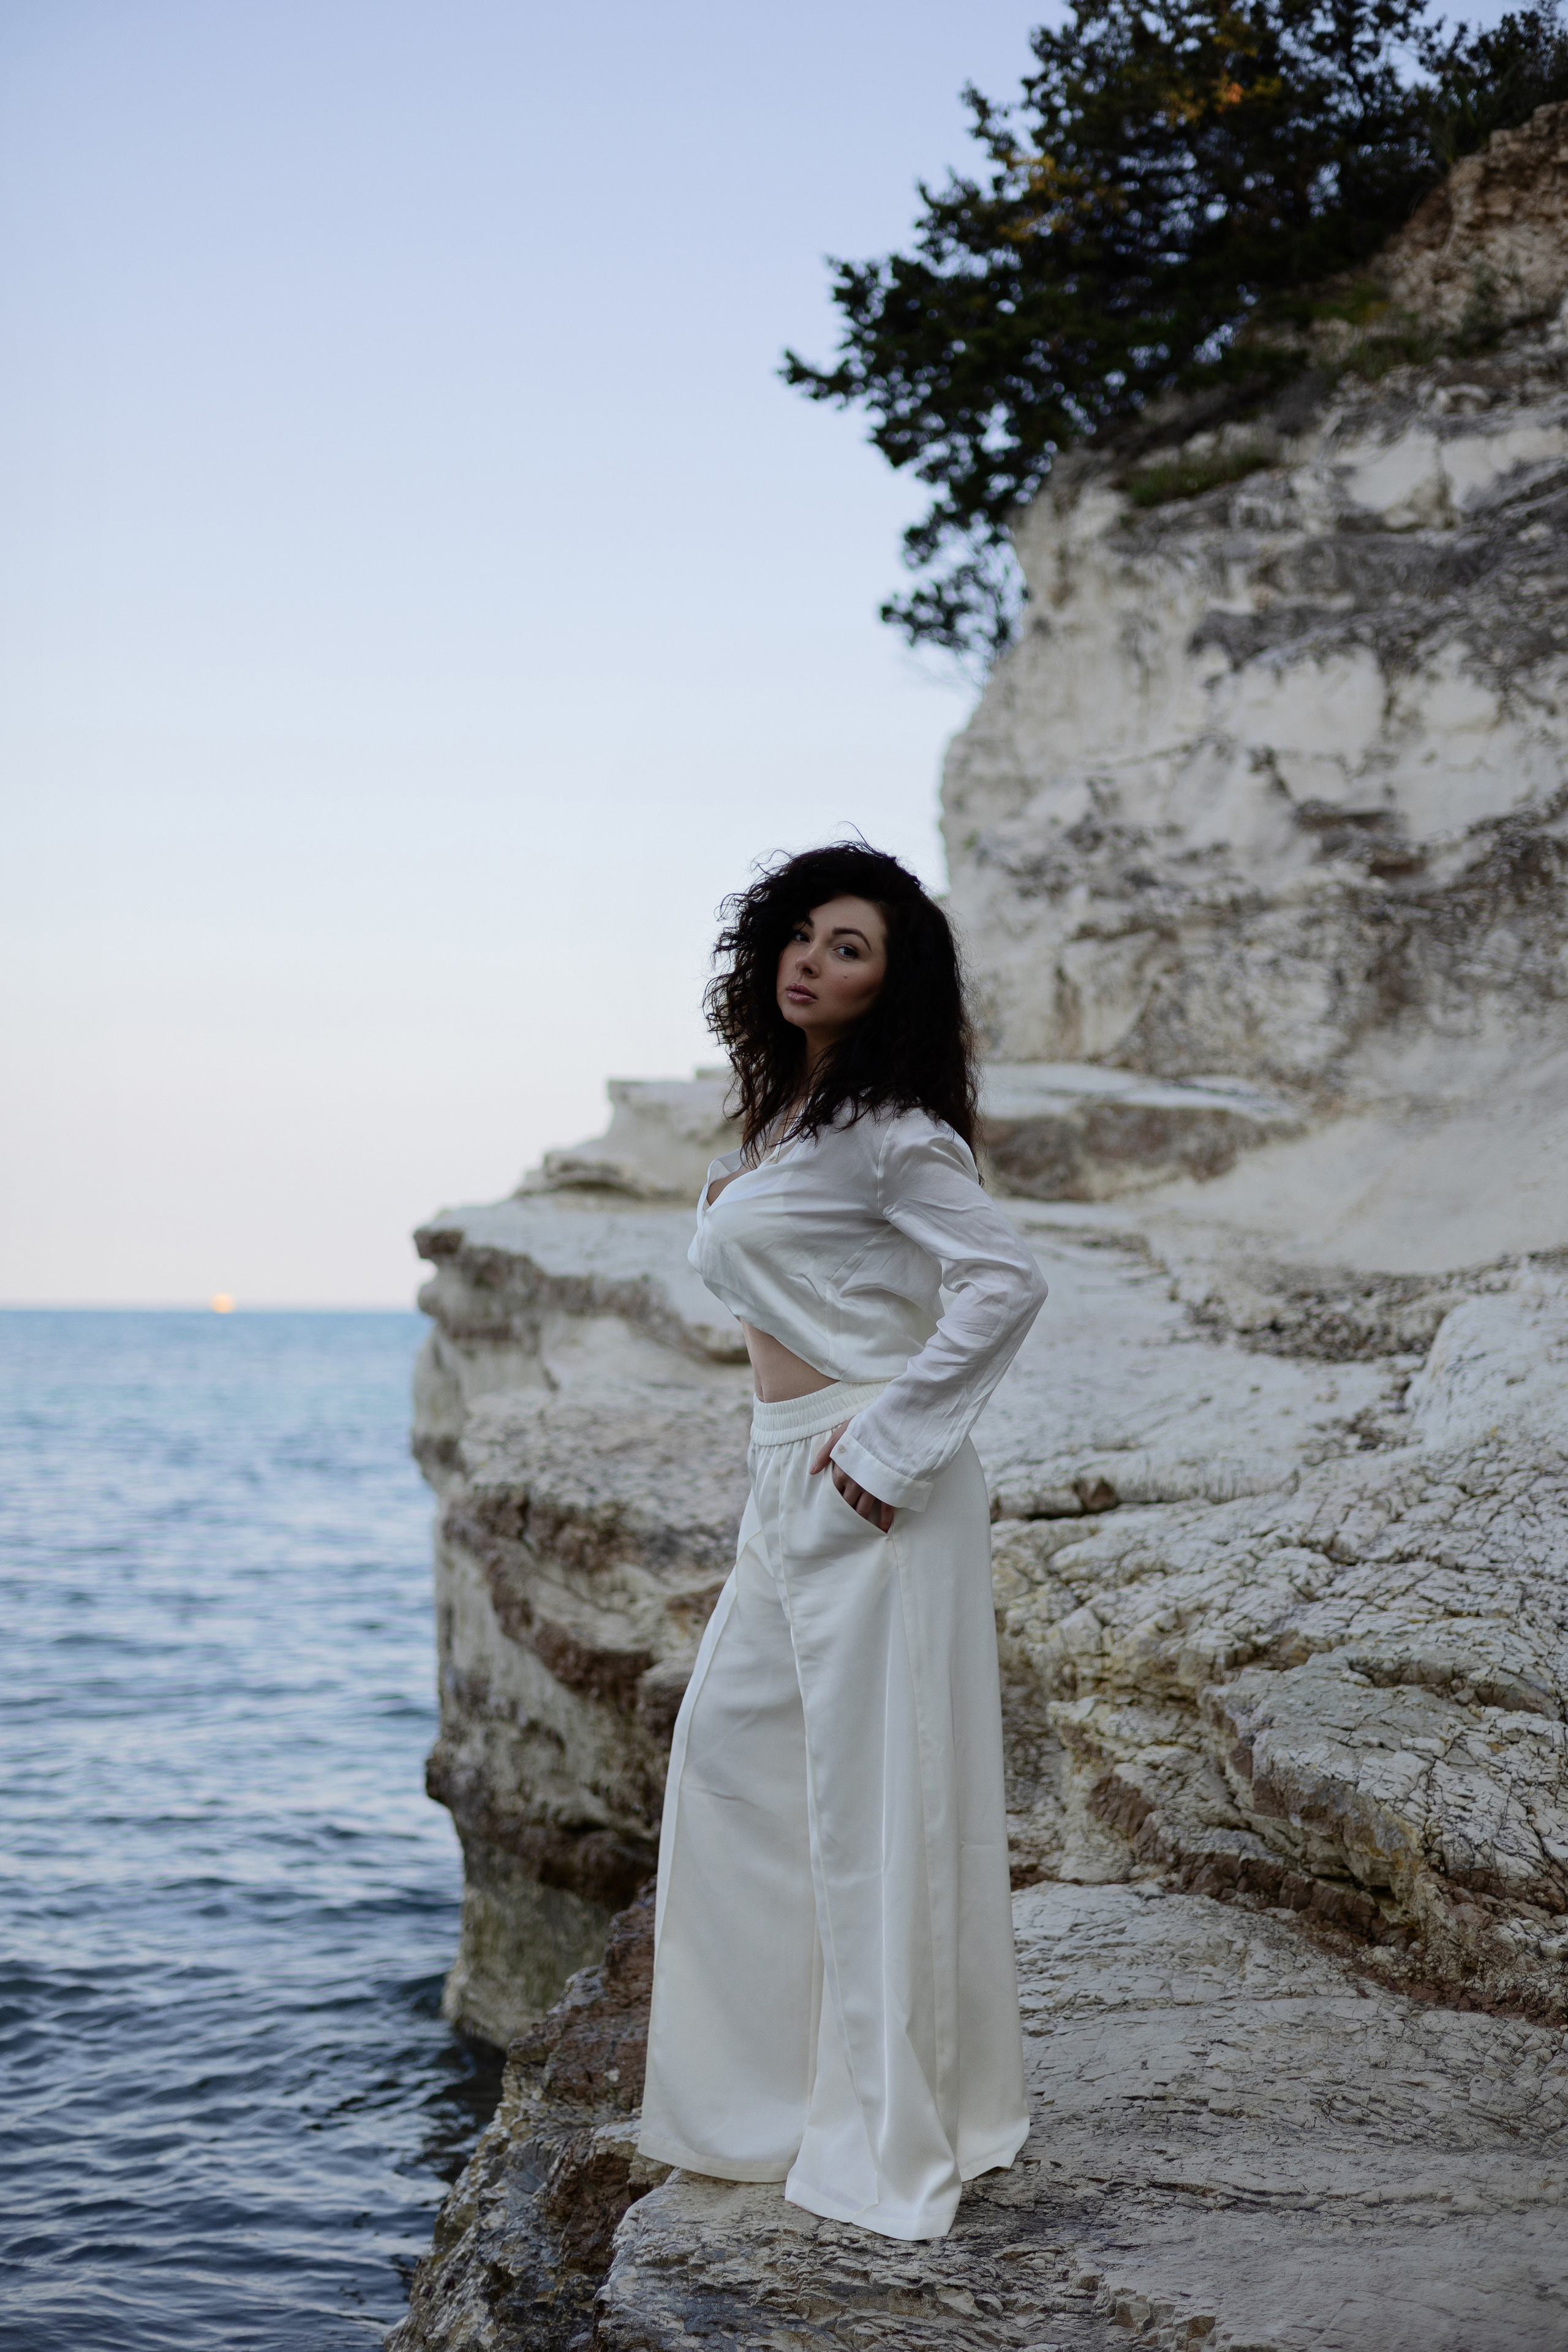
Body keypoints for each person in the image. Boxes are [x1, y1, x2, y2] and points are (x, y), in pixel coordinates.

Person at [636, 841, 1049, 2242]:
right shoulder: (784, 1121)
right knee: (733, 1771)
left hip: (871, 1485)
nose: (809, 958)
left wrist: (884, 1449)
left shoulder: (894, 1132)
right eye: (797, 935)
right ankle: (757, 2111)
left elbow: (1003, 1279)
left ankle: (883, 2132)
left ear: (892, 982)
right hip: (787, 1480)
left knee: (878, 1810)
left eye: (848, 944)